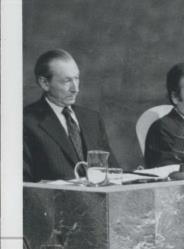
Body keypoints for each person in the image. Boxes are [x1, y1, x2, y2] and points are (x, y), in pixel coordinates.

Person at [23, 49, 119, 182]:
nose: (76, 88)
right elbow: (23, 184)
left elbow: (113, 171)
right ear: (44, 83)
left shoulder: (92, 119)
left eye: (77, 78)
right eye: (67, 81)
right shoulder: (25, 122)